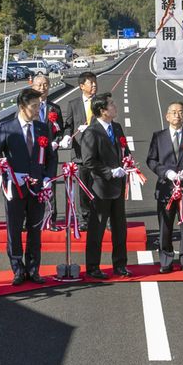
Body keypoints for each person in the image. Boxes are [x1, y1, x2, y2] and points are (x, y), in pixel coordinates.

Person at [0, 89, 56, 285]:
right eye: (34, 106)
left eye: (39, 105)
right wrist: (9, 174)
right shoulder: (6, 127)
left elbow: (50, 157)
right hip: (15, 186)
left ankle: (33, 268)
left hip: (37, 186)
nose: (38, 109)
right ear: (22, 107)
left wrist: (47, 177)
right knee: (14, 228)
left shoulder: (41, 128)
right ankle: (17, 268)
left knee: (35, 228)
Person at [146, 101, 183, 274]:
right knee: (165, 225)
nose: (177, 115)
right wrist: (166, 173)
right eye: (173, 112)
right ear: (167, 116)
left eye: (180, 112)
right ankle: (166, 259)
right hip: (166, 187)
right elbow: (151, 160)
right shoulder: (158, 136)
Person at [80, 92, 132, 280]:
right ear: (102, 110)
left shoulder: (116, 128)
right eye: (111, 104)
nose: (114, 106)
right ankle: (93, 266)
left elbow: (125, 149)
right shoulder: (91, 132)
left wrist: (128, 162)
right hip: (100, 188)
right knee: (97, 229)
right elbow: (88, 161)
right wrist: (110, 172)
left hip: (118, 187)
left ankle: (120, 264)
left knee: (120, 227)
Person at [61, 71, 97, 230]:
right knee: (82, 187)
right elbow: (68, 125)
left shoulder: (101, 102)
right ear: (82, 86)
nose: (94, 85)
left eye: (95, 82)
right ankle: (84, 218)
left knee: (98, 187)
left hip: (98, 153)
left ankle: (100, 216)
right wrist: (67, 136)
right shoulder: (73, 104)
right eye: (91, 83)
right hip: (80, 153)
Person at [32, 74, 65, 231]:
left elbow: (61, 131)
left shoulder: (55, 108)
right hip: (32, 155)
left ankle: (51, 220)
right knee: (31, 186)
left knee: (50, 187)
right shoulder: (29, 108)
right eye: (39, 85)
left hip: (50, 155)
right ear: (33, 87)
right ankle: (30, 220)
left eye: (45, 85)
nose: (42, 88)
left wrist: (56, 142)